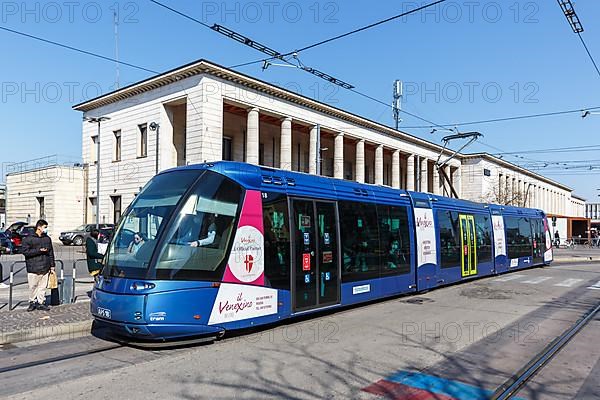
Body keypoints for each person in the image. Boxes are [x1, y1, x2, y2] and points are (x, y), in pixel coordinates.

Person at [21, 219, 55, 311]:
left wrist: (52, 266)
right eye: (45, 227)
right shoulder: (28, 239)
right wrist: (39, 251)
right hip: (33, 266)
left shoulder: (47, 238)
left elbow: (51, 253)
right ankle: (32, 302)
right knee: (33, 286)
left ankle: (41, 302)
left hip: (45, 266)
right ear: (39, 227)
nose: (46, 229)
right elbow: (25, 252)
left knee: (42, 287)